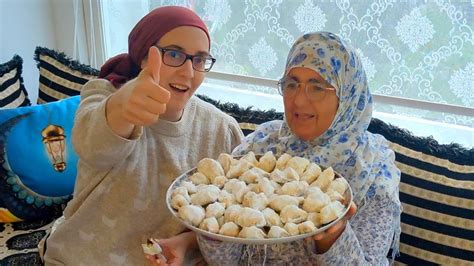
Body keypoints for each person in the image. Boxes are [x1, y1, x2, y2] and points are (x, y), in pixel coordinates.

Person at [41, 6, 243, 265]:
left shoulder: (221, 130)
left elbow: (231, 213)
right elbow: (91, 145)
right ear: (143, 57)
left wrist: (188, 243)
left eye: (199, 59)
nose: (188, 72)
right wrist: (121, 109)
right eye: (173, 54)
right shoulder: (104, 95)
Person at [195, 32, 402, 265]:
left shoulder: (373, 170)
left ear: (346, 95)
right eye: (292, 84)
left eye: (317, 88)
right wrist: (212, 226)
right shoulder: (260, 146)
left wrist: (332, 242)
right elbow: (227, 261)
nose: (299, 101)